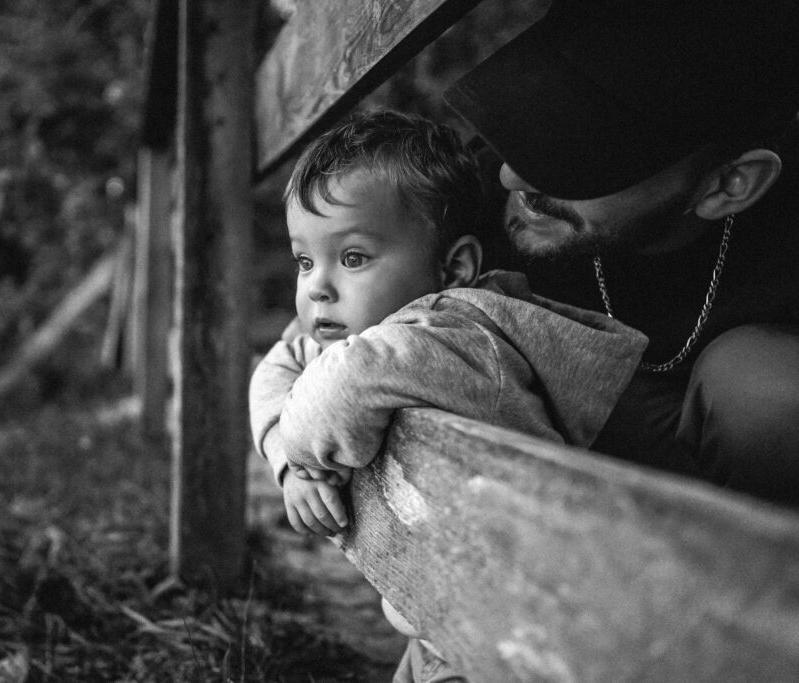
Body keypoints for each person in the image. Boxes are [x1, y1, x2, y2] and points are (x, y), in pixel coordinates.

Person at [248, 110, 648, 681]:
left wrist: (303, 447)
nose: (317, 286)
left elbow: (344, 383)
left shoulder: (460, 332)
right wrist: (290, 464)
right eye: (304, 260)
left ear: (453, 267)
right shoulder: (355, 330)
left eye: (353, 257)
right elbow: (276, 369)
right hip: (438, 622)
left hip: (516, 636)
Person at [443, 0, 799, 507]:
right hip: (546, 501)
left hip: (743, 527)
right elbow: (329, 324)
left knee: (767, 387)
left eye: (577, 158)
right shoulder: (465, 196)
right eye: (532, 125)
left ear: (729, 185)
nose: (513, 177)